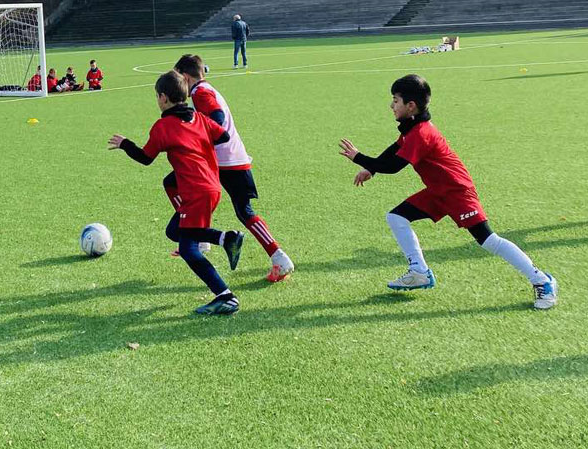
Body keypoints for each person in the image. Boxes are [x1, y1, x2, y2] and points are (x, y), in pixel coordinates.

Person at [339, 74, 557, 309]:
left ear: (410, 106)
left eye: (395, 100)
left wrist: (359, 157)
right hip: (437, 191)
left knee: (488, 240)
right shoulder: (412, 128)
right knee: (396, 216)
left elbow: (393, 166)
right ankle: (419, 272)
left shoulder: (421, 133)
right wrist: (371, 169)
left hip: (457, 192)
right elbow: (395, 149)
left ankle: (542, 280)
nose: (391, 106)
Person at [108, 70, 246, 316]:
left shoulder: (163, 126)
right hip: (212, 186)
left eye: (157, 96)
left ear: (163, 98)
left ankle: (226, 296)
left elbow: (146, 158)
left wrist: (124, 144)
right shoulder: (200, 119)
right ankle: (225, 239)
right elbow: (223, 135)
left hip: (195, 192)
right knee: (174, 231)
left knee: (188, 248)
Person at [171, 54, 294, 282]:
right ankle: (202, 238)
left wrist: (198, 138)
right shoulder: (205, 89)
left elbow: (217, 117)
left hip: (223, 161)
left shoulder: (200, 93)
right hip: (230, 158)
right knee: (241, 210)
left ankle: (278, 257)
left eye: (179, 79)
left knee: (175, 185)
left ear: (186, 77)